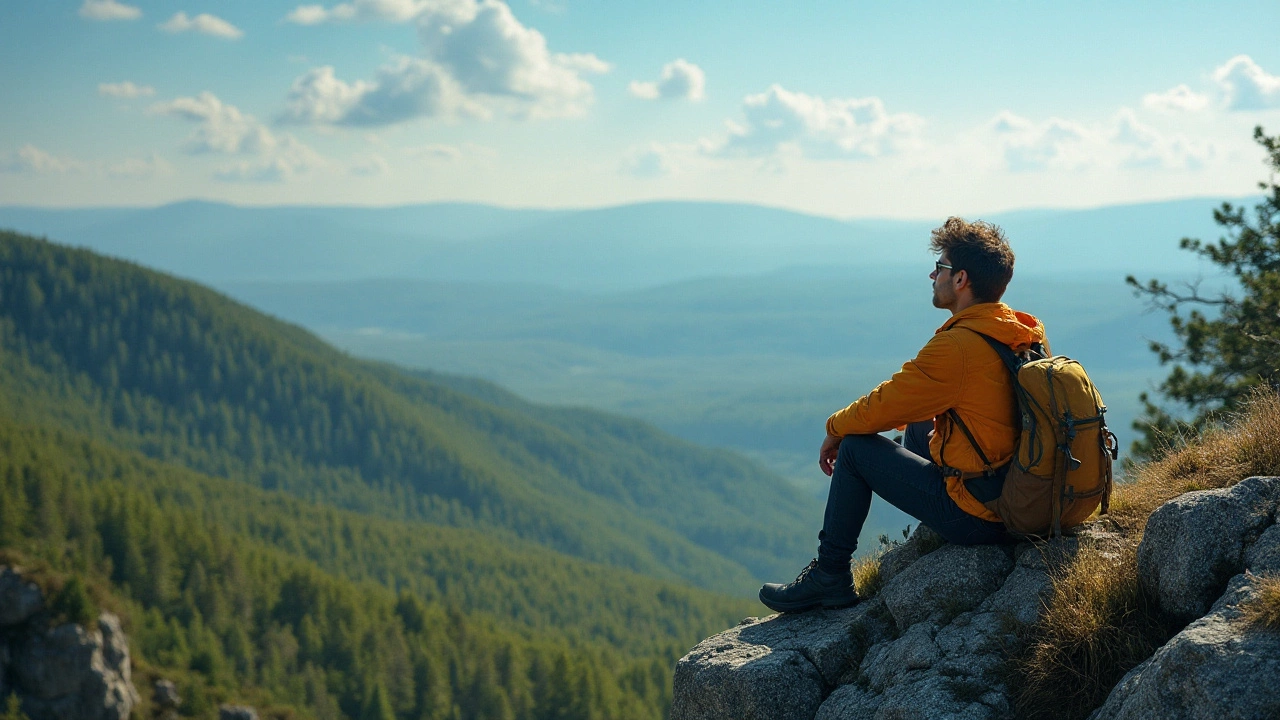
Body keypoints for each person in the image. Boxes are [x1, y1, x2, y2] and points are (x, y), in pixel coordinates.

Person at [759, 217, 1048, 613]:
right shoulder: (1021, 330)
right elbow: (915, 404)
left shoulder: (959, 347)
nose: (933, 274)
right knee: (918, 425)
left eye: (941, 267)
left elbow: (885, 403)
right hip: (1021, 493)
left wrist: (835, 428)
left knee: (858, 449)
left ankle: (830, 575)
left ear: (961, 279)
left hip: (983, 516)